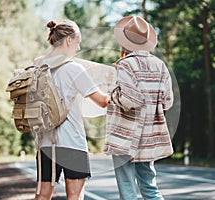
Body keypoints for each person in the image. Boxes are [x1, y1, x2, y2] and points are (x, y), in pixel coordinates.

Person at [33, 19, 110, 200]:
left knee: (43, 195)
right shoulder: (74, 69)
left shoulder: (38, 65)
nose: (78, 46)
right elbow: (102, 101)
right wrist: (111, 88)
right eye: (77, 41)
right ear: (68, 40)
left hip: (45, 143)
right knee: (74, 196)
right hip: (72, 143)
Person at [104, 16, 174, 200]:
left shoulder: (125, 64)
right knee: (150, 188)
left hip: (124, 136)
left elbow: (129, 100)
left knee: (128, 190)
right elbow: (168, 102)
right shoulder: (160, 65)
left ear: (124, 41)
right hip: (149, 137)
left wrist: (110, 90)